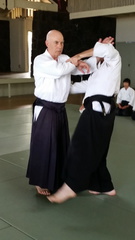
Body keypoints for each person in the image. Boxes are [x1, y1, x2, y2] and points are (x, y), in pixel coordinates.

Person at [47, 36, 122, 203]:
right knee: (98, 150)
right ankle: (103, 186)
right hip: (101, 111)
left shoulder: (114, 59)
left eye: (102, 45)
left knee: (80, 146)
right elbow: (78, 87)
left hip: (98, 111)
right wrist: (54, 86)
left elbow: (100, 51)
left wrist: (78, 57)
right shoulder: (100, 71)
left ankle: (70, 187)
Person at [26, 30, 90, 196]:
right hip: (45, 108)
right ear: (47, 43)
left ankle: (58, 179)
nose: (60, 46)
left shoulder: (63, 59)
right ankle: (40, 182)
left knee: (60, 146)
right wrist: (76, 63)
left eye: (61, 43)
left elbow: (72, 70)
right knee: (44, 146)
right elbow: (59, 71)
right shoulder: (40, 60)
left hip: (60, 109)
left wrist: (81, 65)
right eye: (56, 42)